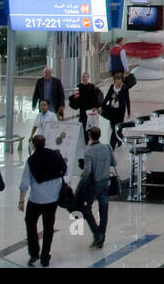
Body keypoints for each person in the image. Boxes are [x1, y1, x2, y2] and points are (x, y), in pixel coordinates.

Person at [19, 135, 66, 267]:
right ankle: (45, 256)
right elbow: (64, 169)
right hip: (53, 198)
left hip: (36, 199)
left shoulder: (31, 160)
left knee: (30, 223)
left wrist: (21, 200)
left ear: (33, 145)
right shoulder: (55, 155)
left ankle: (34, 253)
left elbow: (24, 183)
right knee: (49, 226)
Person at [77, 127, 116, 249]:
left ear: (90, 136)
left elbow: (87, 171)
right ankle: (101, 237)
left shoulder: (89, 151)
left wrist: (79, 186)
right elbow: (114, 163)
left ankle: (97, 233)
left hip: (94, 184)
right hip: (106, 182)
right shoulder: (107, 147)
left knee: (86, 209)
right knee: (104, 211)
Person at [69, 73, 103, 144]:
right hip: (83, 111)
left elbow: (96, 98)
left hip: (90, 111)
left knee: (90, 127)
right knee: (83, 128)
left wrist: (96, 107)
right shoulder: (79, 87)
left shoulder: (92, 87)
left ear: (88, 78)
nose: (84, 78)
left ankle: (91, 140)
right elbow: (76, 99)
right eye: (83, 77)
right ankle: (85, 141)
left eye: (86, 77)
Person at [101, 74, 131, 148]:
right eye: (116, 79)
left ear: (121, 80)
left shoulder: (124, 88)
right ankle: (120, 139)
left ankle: (112, 145)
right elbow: (107, 97)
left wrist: (129, 111)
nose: (117, 81)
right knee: (114, 127)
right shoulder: (112, 87)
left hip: (120, 111)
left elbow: (127, 100)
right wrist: (102, 106)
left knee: (116, 127)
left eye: (119, 79)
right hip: (112, 110)